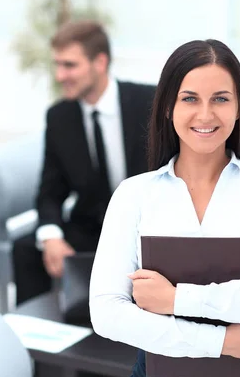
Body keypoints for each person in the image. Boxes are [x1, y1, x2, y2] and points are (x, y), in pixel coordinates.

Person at [89, 39, 240, 377]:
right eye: (190, 98)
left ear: (239, 108)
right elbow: (107, 313)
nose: (205, 115)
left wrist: (175, 298)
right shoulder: (134, 194)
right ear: (167, 109)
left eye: (221, 99)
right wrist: (222, 342)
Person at [12, 20, 156, 306]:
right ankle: (41, 343)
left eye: (69, 65)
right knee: (27, 248)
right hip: (91, 228)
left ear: (99, 62)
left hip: (146, 229)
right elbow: (50, 192)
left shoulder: (149, 102)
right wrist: (51, 237)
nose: (59, 75)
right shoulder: (59, 117)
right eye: (57, 65)